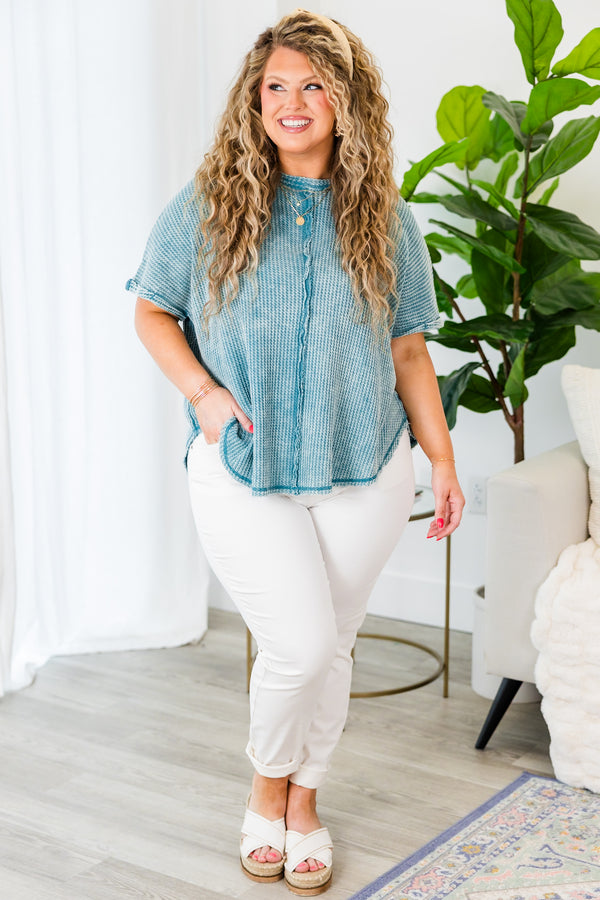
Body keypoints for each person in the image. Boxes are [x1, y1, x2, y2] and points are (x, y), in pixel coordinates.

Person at [127, 8, 464, 895]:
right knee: (301, 645)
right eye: (275, 86)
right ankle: (264, 788)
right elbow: (152, 309)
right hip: (244, 464)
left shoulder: (387, 220)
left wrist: (443, 462)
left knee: (335, 645)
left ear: (348, 101)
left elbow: (408, 351)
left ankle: (304, 802)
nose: (292, 102)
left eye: (313, 85)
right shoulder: (209, 204)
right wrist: (203, 395)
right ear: (254, 100)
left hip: (366, 464)